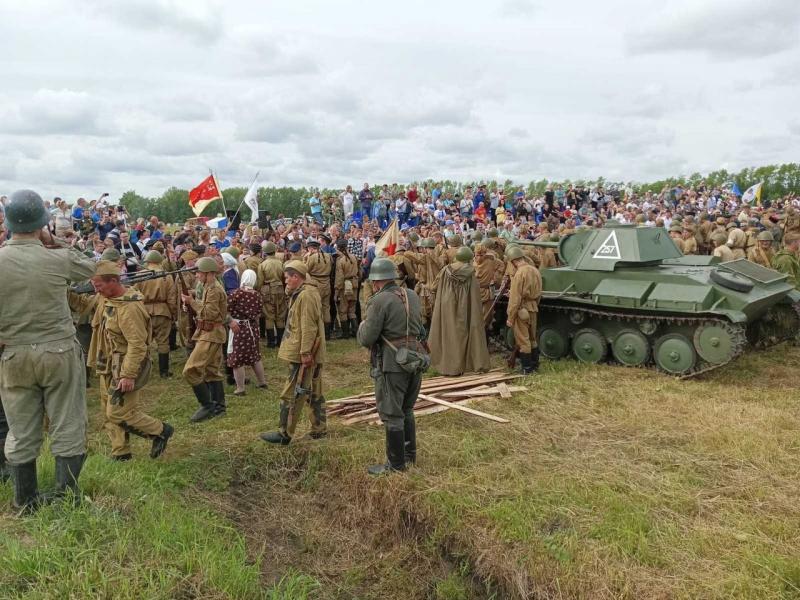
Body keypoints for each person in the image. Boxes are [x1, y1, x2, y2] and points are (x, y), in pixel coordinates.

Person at [0, 189, 96, 510]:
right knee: (67, 421)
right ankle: (66, 498)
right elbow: (90, 269)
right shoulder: (56, 256)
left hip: (14, 354)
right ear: (43, 223)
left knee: (21, 428)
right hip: (59, 352)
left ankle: (25, 500)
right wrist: (55, 241)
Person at [80, 261, 174, 461]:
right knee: (108, 409)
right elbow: (83, 305)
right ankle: (120, 452)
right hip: (107, 364)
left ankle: (160, 431)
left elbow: (137, 344)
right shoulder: (106, 298)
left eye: (99, 286)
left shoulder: (128, 308)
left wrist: (128, 374)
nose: (96, 290)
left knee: (119, 413)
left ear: (114, 281)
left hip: (124, 366)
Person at [357, 258, 428, 475]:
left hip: (392, 363)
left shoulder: (379, 301)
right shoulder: (412, 295)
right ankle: (409, 455)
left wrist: (362, 326)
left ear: (376, 282)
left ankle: (396, 465)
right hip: (415, 358)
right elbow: (422, 330)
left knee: (392, 412)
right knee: (407, 409)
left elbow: (367, 338)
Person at [260, 260, 327, 445]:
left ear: (297, 277)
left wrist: (305, 352)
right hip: (308, 351)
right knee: (314, 391)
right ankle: (319, 429)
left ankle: (284, 433)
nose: (285, 280)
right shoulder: (304, 292)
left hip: (304, 353)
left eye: (288, 277)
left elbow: (308, 327)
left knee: (292, 393)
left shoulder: (306, 295)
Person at [429, 246, 490, 375]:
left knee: (448, 332)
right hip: (465, 306)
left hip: (446, 305)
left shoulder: (445, 270)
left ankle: (448, 365)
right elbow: (474, 294)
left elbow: (434, 286)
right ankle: (463, 364)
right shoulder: (470, 273)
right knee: (463, 332)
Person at [181, 257, 228, 423]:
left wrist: (191, 302)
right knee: (211, 371)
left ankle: (207, 406)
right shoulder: (208, 287)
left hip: (211, 334)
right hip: (209, 332)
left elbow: (209, 313)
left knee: (191, 370)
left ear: (208, 273)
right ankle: (219, 407)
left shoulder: (214, 289)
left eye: (199, 272)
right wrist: (192, 296)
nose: (196, 275)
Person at [134, 250, 178, 378]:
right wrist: (173, 313)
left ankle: (142, 370)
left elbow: (135, 294)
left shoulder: (140, 274)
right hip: (162, 311)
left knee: (144, 341)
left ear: (147, 261)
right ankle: (163, 372)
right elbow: (171, 298)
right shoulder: (166, 275)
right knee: (163, 342)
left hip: (144, 311)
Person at [226, 269, 267, 395]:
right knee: (255, 355)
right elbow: (259, 313)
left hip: (238, 327)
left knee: (237, 358)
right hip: (252, 328)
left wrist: (231, 321)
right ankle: (262, 381)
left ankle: (240, 388)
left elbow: (226, 309)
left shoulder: (236, 294)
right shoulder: (257, 295)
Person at [505, 246, 543, 373]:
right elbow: (539, 293)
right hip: (533, 307)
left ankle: (526, 369)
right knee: (533, 338)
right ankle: (535, 365)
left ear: (513, 261)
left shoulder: (519, 274)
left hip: (522, 310)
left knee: (523, 339)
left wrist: (510, 317)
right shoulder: (535, 270)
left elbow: (515, 299)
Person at [304, 239, 333, 337]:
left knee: (316, 308)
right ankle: (327, 333)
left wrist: (305, 259)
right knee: (326, 307)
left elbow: (305, 269)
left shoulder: (312, 257)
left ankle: (318, 332)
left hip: (316, 284)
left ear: (311, 248)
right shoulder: (328, 256)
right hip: (327, 283)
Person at [334, 238, 359, 337]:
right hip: (354, 284)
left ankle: (345, 333)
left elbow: (339, 278)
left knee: (343, 310)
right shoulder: (354, 257)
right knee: (352, 310)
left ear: (339, 248)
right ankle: (355, 331)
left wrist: (336, 293)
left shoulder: (340, 261)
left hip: (345, 286)